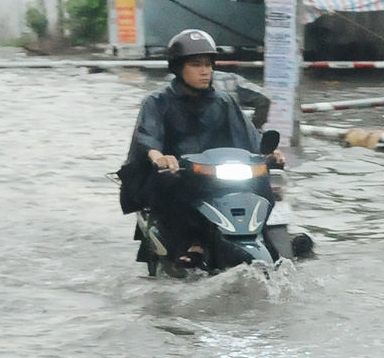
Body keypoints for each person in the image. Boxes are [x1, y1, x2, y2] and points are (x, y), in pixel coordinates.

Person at [119, 29, 281, 267]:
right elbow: (147, 137)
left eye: (208, 64)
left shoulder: (223, 101)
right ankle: (191, 242)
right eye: (196, 64)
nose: (205, 71)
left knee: (263, 181)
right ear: (178, 68)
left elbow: (248, 136)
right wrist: (159, 156)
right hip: (179, 173)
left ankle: (263, 236)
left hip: (215, 173)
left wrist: (268, 155)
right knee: (169, 181)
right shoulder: (157, 101)